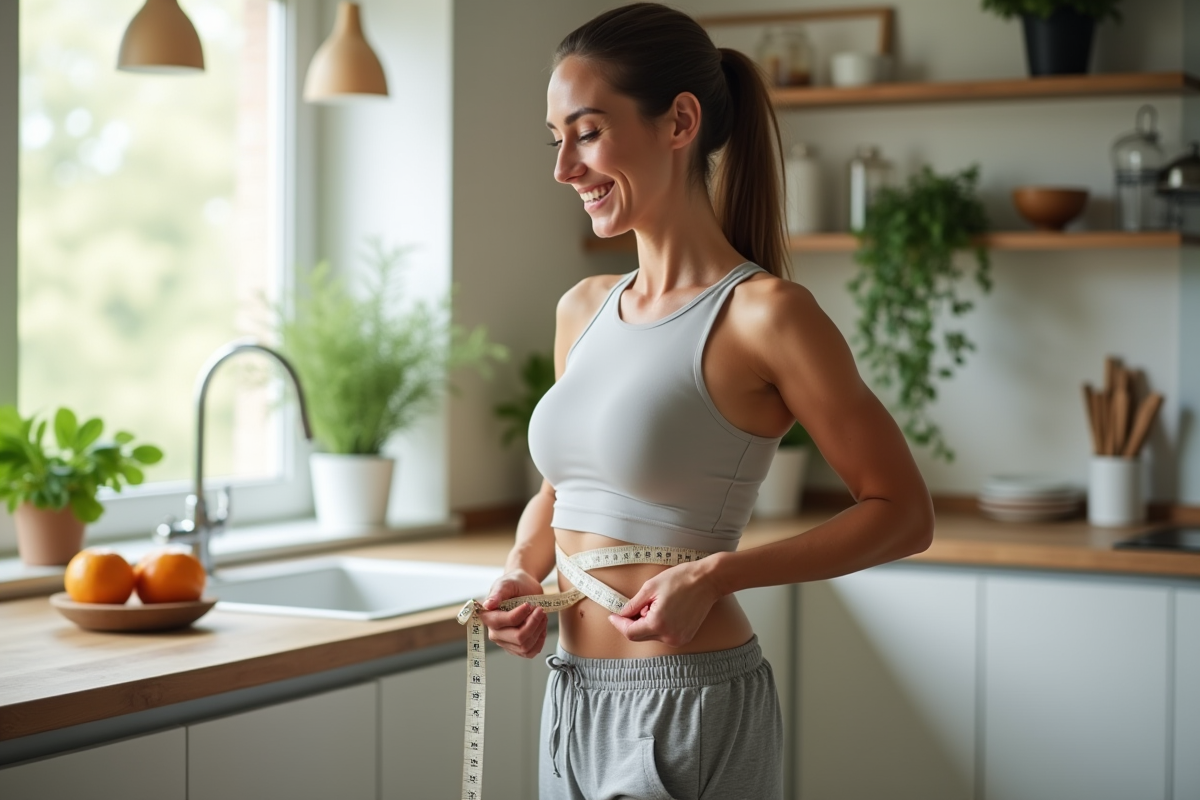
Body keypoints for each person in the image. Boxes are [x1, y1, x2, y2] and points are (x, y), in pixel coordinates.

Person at [478, 4, 934, 798]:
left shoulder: (766, 316)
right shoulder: (581, 308)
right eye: (557, 140)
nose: (564, 169)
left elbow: (902, 511)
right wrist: (522, 570)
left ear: (679, 121)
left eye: (587, 132)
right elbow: (562, 491)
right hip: (571, 696)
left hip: (688, 705)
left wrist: (719, 576)